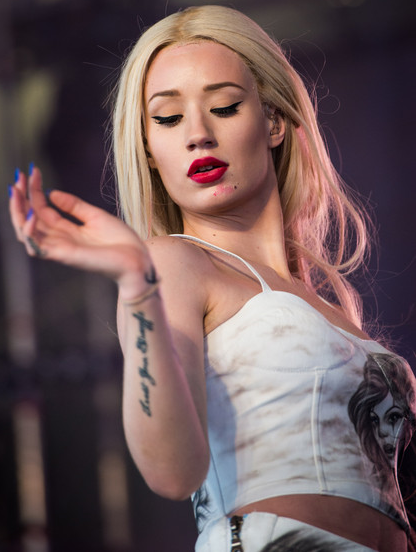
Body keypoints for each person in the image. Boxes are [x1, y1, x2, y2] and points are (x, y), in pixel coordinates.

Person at [8, 5, 416, 551]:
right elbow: (171, 473)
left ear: (274, 122)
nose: (198, 134)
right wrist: (137, 283)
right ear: (149, 150)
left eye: (223, 107)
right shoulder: (173, 264)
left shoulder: (329, 305)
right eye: (168, 118)